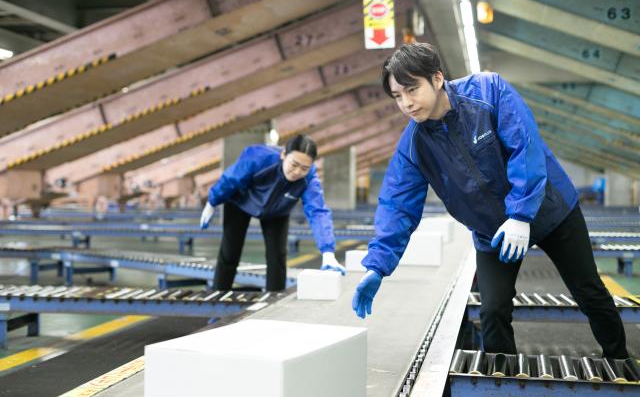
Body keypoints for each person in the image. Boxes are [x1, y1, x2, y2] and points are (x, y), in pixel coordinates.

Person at [351, 42, 630, 359]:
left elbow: (524, 147)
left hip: (551, 210)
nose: (406, 103)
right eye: (398, 96)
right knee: (493, 310)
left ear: (438, 78)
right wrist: (377, 266)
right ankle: (502, 380)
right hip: (492, 230)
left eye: (412, 90)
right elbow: (397, 205)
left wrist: (522, 215)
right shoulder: (414, 144)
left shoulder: (487, 92)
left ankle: (619, 359)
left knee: (588, 291)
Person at [200, 134, 345, 291]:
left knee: (277, 257)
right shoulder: (257, 158)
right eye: (294, 164)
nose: (297, 172)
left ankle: (275, 299)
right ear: (283, 155)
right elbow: (230, 179)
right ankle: (219, 294)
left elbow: (318, 211)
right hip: (240, 202)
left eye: (304, 168)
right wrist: (212, 201)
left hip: (277, 211)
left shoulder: (309, 179)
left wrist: (327, 252)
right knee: (230, 252)